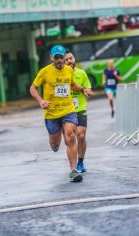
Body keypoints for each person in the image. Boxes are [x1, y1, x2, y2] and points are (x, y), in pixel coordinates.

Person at [30, 45, 93, 182]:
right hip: (52, 114)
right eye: (56, 57)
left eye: (61, 57)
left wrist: (82, 89)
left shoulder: (69, 70)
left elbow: (72, 85)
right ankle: (54, 140)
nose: (59, 60)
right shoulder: (44, 72)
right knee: (55, 145)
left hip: (68, 110)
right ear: (51, 58)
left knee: (70, 137)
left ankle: (74, 170)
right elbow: (33, 88)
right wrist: (40, 101)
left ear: (65, 57)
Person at [64, 50, 92, 173]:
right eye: (66, 59)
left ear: (74, 59)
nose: (69, 61)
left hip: (80, 108)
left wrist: (87, 91)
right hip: (66, 110)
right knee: (70, 139)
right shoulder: (60, 76)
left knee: (81, 135)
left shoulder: (82, 73)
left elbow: (88, 89)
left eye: (71, 58)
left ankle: (80, 162)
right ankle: (73, 166)